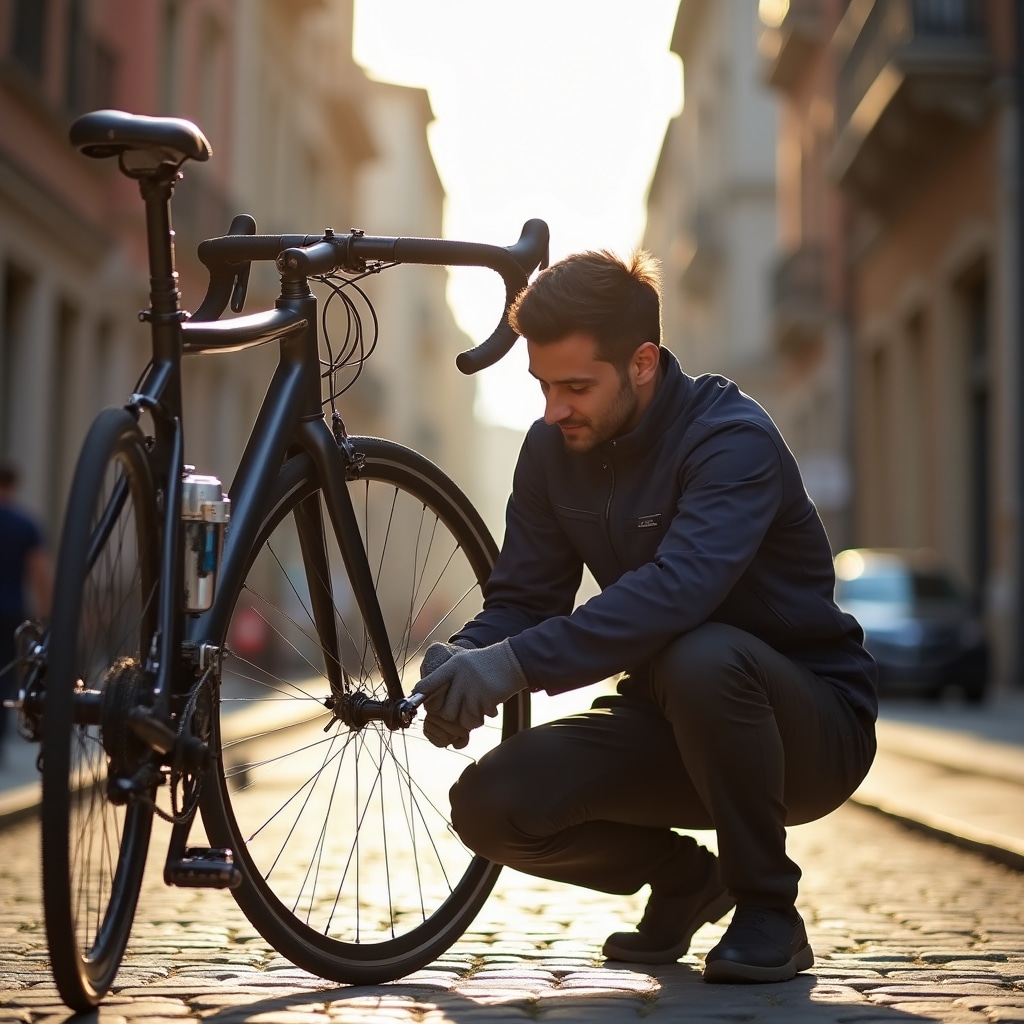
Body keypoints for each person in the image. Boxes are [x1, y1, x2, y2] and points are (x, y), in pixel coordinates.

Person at [413, 249, 877, 984]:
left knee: (704, 653)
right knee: (490, 805)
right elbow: (525, 598)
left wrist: (513, 667)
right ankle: (687, 878)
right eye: (541, 385)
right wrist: (465, 660)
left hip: (810, 730)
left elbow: (676, 593)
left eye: (574, 386)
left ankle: (768, 909)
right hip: (667, 718)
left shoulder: (731, 439)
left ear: (642, 363)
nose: (554, 408)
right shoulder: (549, 449)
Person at [0, 459, 51, 761]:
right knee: (5, 676)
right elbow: (40, 571)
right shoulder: (24, 524)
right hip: (9, 612)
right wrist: (45, 617)